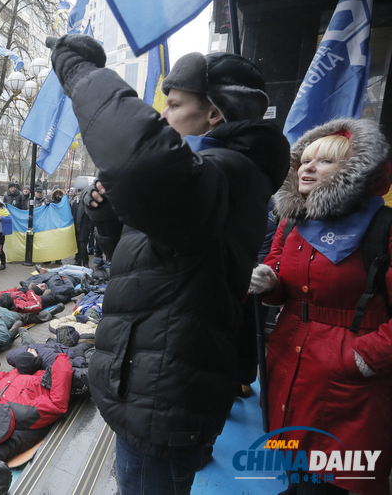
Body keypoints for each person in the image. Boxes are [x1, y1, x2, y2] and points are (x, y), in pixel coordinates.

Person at [48, 34, 290, 493]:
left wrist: (80, 74)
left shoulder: (227, 172)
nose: (163, 115)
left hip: (162, 399)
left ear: (214, 113)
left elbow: (140, 160)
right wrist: (108, 221)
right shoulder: (213, 176)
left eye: (174, 103)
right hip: (153, 391)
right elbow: (150, 268)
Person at [250, 118, 392, 495]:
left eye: (324, 162)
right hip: (290, 361)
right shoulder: (293, 221)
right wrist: (269, 284)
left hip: (352, 380)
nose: (307, 168)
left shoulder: (384, 227)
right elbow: (281, 277)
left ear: (354, 171)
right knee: (296, 461)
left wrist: (361, 357)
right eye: (305, 160)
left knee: (338, 478)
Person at [0, 351, 72, 445]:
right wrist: (62, 357)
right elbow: (58, 403)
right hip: (35, 373)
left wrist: (5, 375)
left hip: (18, 374)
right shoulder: (25, 412)